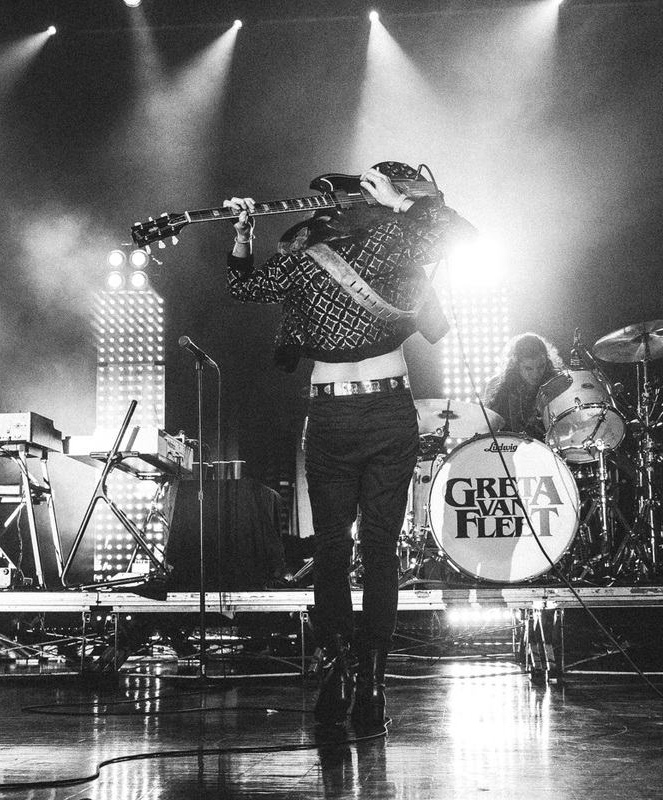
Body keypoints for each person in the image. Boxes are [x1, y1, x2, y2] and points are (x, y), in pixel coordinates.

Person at [223, 164, 475, 732]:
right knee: (378, 549)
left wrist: (243, 237)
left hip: (333, 412)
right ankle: (370, 684)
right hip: (385, 410)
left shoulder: (304, 250)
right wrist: (406, 204)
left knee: (333, 548)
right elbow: (462, 236)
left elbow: (242, 288)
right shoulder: (396, 238)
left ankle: (340, 675)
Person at [482, 332, 565, 439]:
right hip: (508, 446)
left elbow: (565, 431)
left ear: (547, 361)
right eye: (528, 368)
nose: (535, 374)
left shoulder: (556, 384)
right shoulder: (497, 384)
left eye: (541, 366)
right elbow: (487, 430)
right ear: (516, 365)